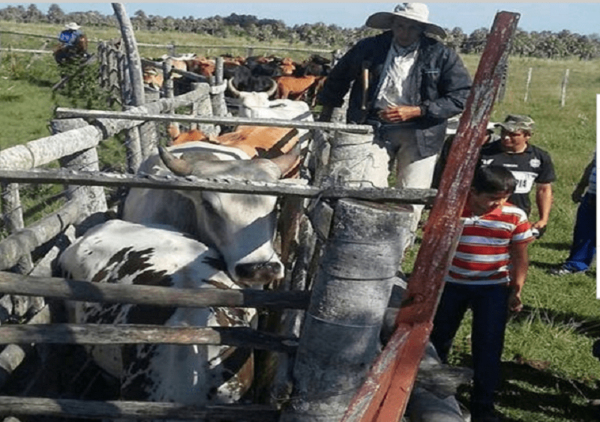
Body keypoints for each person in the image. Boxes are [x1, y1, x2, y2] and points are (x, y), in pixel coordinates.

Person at [318, 3, 472, 242]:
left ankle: (400, 245)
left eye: (412, 27)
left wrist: (418, 111)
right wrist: (326, 118)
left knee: (412, 193)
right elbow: (337, 79)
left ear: (422, 29)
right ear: (391, 25)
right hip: (373, 125)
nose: (405, 32)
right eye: (400, 25)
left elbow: (461, 95)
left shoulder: (440, 54)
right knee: (367, 187)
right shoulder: (370, 48)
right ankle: (362, 241)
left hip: (422, 132)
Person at [430, 165, 534, 422]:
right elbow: (433, 245)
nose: (497, 204)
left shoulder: (514, 216)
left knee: (488, 345)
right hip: (451, 285)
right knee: (439, 337)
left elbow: (519, 255)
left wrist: (516, 289)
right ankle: (433, 394)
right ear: (473, 191)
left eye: (503, 198)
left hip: (492, 288)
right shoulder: (452, 209)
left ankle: (482, 403)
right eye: (492, 198)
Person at [479, 114, 556, 238]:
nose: (506, 137)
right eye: (503, 132)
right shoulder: (484, 153)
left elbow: (544, 189)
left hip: (518, 215)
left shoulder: (539, 157)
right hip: (483, 213)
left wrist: (543, 219)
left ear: (528, 136)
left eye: (513, 134)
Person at [551, 152, 596, 275]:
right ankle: (576, 265)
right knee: (584, 232)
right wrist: (580, 187)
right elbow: (593, 165)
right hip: (592, 195)